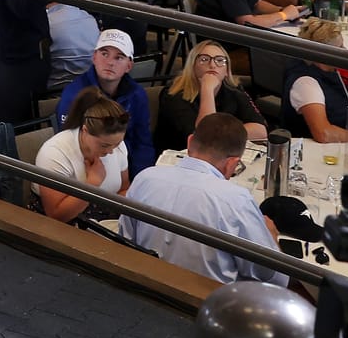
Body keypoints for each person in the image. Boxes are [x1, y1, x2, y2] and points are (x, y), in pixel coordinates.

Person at [122, 113, 287, 286]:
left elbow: (126, 239)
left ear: (189, 141)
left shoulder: (145, 178)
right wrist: (272, 240)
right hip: (204, 301)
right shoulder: (236, 199)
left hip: (144, 286)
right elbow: (269, 274)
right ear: (232, 163)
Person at [51, 29, 154, 177]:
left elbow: (142, 143)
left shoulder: (137, 94)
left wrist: (141, 179)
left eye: (119, 57)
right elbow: (70, 143)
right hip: (85, 169)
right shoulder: (75, 95)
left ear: (129, 66)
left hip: (125, 166)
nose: (110, 62)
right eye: (104, 54)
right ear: (94, 57)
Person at [33, 93, 131, 222]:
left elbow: (123, 188)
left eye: (117, 143)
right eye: (104, 145)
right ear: (85, 131)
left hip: (105, 218)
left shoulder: (117, 146)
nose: (111, 151)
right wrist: (92, 184)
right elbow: (56, 215)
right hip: (62, 224)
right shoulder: (54, 153)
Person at [284, 20, 348, 143]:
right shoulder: (306, 83)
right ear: (325, 53)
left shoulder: (330, 72)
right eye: (340, 47)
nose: (346, 51)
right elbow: (323, 133)